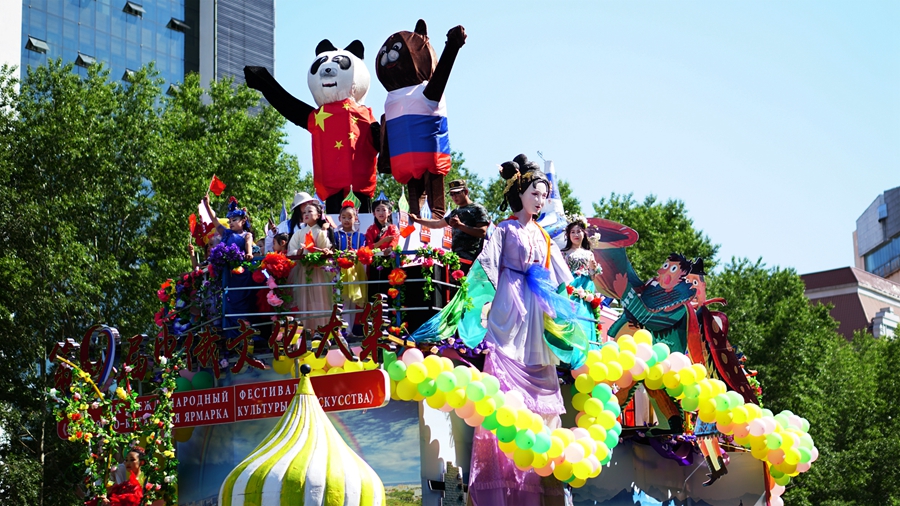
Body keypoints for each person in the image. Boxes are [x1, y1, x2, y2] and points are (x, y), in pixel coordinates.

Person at [468, 154, 576, 506]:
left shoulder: (543, 235)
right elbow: (486, 265)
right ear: (521, 193)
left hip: (535, 305)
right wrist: (482, 301)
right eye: (535, 192)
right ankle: (498, 480)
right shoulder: (504, 228)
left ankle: (539, 473)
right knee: (504, 376)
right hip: (509, 303)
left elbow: (562, 275)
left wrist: (583, 295)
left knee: (542, 382)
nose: (541, 198)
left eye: (544, 194)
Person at [202, 195, 257, 338]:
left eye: (234, 220)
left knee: (243, 302)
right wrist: (207, 206)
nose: (231, 223)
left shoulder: (247, 235)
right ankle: (231, 335)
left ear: (243, 220)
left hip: (242, 273)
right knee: (228, 301)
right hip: (228, 274)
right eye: (230, 220)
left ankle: (245, 333)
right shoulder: (226, 233)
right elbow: (214, 220)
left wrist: (249, 253)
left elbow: (248, 246)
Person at [410, 179, 489, 273]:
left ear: (466, 192)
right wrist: (417, 220)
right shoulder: (455, 212)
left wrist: (460, 226)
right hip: (456, 259)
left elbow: (482, 232)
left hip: (472, 260)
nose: (454, 197)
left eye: (457, 193)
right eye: (452, 194)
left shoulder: (478, 209)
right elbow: (437, 224)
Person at [288, 200, 333, 333]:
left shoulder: (322, 230)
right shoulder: (299, 233)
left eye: (310, 211)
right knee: (304, 297)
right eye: (304, 212)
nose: (306, 214)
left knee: (321, 296)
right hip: (303, 269)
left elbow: (326, 247)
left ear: (319, 215)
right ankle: (307, 329)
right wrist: (299, 252)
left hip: (318, 270)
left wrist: (324, 231)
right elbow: (291, 250)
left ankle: (322, 328)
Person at [561, 217, 601, 343]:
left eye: (578, 231)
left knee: (584, 316)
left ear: (584, 233)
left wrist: (593, 269)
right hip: (570, 286)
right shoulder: (563, 253)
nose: (576, 235)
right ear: (568, 235)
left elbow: (592, 277)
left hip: (586, 288)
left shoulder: (589, 253)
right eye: (572, 232)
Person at [332, 203, 368, 336]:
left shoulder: (360, 236)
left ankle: (349, 330)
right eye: (344, 217)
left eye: (350, 217)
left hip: (354, 271)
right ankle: (340, 329)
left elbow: (364, 251)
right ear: (339, 218)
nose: (347, 220)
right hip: (338, 270)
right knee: (340, 299)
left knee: (353, 300)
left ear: (355, 218)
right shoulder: (335, 235)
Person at [365, 199, 401, 301]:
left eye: (383, 210)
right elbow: (369, 247)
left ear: (389, 212)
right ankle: (373, 314)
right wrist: (383, 241)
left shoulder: (393, 228)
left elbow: (394, 241)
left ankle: (388, 314)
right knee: (373, 288)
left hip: (388, 262)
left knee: (388, 288)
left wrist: (389, 248)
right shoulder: (370, 230)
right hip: (374, 263)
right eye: (378, 210)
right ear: (373, 213)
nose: (381, 213)